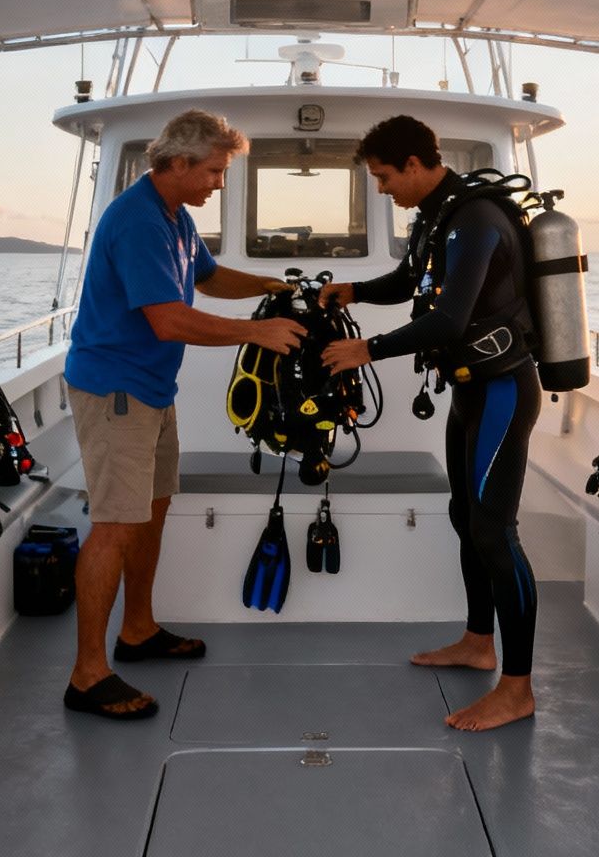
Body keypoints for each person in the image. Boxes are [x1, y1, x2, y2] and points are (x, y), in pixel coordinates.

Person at [62, 109, 305, 720]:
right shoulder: (138, 222)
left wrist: (273, 290)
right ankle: (87, 675)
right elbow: (168, 319)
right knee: (115, 524)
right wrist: (260, 333)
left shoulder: (175, 216)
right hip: (116, 389)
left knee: (152, 509)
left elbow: (211, 276)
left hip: (149, 389)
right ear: (177, 164)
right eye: (215, 172)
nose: (219, 183)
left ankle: (137, 630)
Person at [320, 116, 542, 731]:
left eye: (386, 177)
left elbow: (448, 321)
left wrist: (366, 350)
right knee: (465, 518)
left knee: (496, 533)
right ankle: (478, 643)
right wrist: (351, 291)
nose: (384, 188)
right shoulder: (437, 215)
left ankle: (518, 688)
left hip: (501, 391)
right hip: (468, 390)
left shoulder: (475, 220)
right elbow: (407, 281)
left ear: (415, 163)